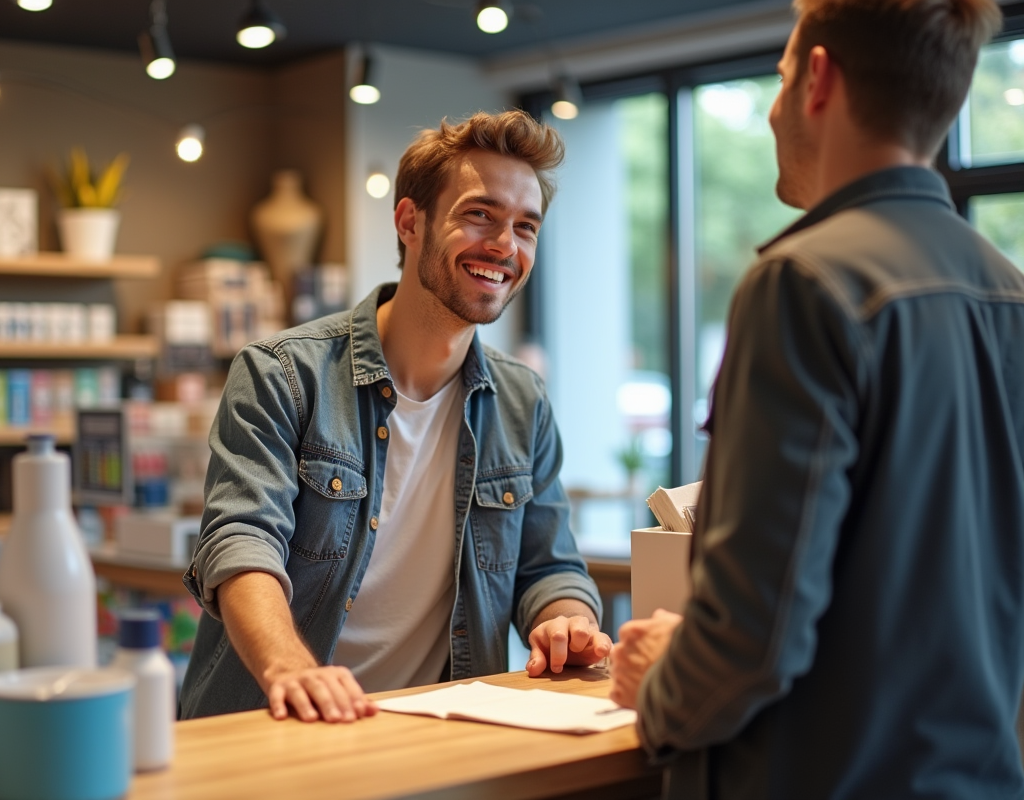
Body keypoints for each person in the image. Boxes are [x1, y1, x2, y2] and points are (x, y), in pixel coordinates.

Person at [609, 0, 1024, 797]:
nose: (772, 107)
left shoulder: (801, 284)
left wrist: (662, 684)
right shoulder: (1008, 291)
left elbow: (752, 639)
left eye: (779, 75)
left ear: (819, 80)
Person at [180, 110, 612, 723]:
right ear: (410, 222)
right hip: (275, 726)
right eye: (479, 215)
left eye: (526, 227)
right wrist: (289, 666)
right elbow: (241, 541)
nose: (505, 246)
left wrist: (567, 620)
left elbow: (549, 566)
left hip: (434, 736)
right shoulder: (282, 374)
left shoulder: (524, 402)